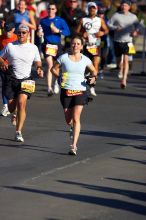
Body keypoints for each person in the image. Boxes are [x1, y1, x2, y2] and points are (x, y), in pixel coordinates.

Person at [51, 35, 97, 155]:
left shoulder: (85, 59)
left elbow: (94, 71)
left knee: (76, 118)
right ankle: (71, 127)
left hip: (80, 90)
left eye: (78, 44)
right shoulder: (64, 58)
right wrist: (59, 77)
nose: (75, 45)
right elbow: (53, 69)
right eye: (73, 43)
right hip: (66, 90)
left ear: (82, 46)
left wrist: (92, 79)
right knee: (68, 119)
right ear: (70, 45)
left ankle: (73, 145)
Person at [0, 24, 43, 142]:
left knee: (21, 103)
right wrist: (3, 63)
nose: (21, 35)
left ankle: (18, 131)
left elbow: (38, 61)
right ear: (16, 34)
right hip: (11, 78)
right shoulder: (10, 46)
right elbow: (0, 57)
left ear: (28, 34)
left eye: (24, 33)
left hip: (26, 79)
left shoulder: (33, 48)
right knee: (11, 107)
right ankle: (14, 113)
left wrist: (39, 68)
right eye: (19, 32)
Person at [76, 1, 109, 96]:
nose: (92, 10)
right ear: (88, 9)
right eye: (90, 8)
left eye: (94, 8)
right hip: (86, 45)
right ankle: (85, 78)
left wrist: (102, 33)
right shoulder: (83, 20)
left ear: (96, 9)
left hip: (96, 45)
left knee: (95, 64)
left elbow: (106, 30)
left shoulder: (100, 20)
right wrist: (82, 34)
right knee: (86, 65)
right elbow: (76, 31)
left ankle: (92, 87)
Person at [38, 2, 70, 96]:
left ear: (55, 10)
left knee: (56, 67)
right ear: (47, 10)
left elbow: (67, 32)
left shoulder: (60, 20)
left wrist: (58, 30)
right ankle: (49, 88)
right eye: (49, 9)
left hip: (57, 45)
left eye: (52, 9)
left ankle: (56, 82)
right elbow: (40, 30)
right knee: (49, 65)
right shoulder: (43, 21)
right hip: (47, 45)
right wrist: (39, 33)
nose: (50, 10)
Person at [108, 0, 140, 88]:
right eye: (122, 5)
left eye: (126, 6)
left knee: (126, 59)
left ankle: (124, 80)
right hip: (117, 40)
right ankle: (120, 68)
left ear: (129, 7)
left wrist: (135, 32)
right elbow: (109, 24)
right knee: (119, 61)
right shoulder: (116, 15)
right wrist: (115, 28)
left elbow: (138, 26)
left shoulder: (133, 17)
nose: (124, 7)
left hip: (128, 41)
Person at [0, 22, 18, 117]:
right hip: (3, 66)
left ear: (13, 30)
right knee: (4, 85)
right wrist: (2, 62)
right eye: (5, 30)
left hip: (15, 66)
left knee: (14, 86)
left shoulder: (17, 38)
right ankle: (5, 105)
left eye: (9, 31)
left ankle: (14, 105)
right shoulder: (1, 38)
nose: (7, 33)